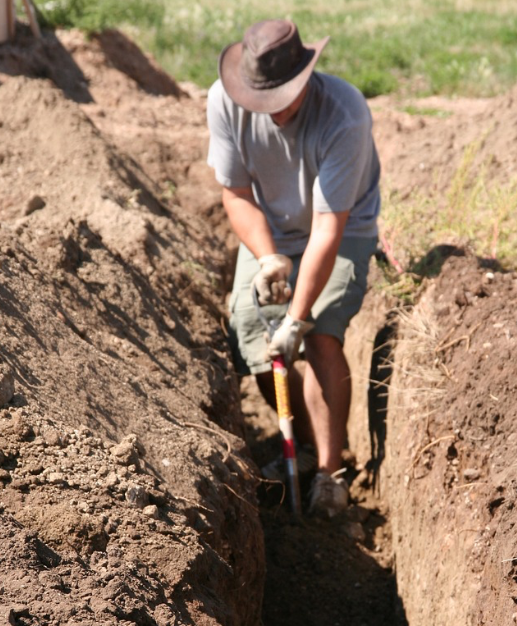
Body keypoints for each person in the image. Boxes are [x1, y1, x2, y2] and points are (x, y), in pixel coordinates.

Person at [206, 18, 380, 517]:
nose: (272, 113)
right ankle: (301, 443)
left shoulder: (343, 114)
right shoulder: (223, 101)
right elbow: (236, 194)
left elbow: (328, 229)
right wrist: (267, 257)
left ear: (305, 78)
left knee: (321, 333)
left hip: (343, 231)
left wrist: (297, 318)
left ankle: (330, 472)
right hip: (273, 233)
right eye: (263, 102)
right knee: (251, 329)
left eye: (283, 99)